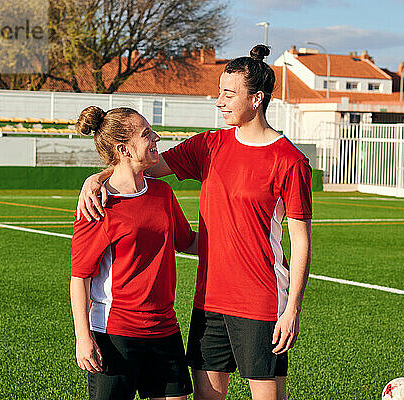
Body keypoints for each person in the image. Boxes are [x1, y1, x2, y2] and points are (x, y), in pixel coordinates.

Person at [76, 45, 312, 400]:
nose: (219, 101)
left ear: (257, 98)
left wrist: (292, 308)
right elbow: (143, 165)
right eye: (220, 92)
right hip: (209, 301)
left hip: (262, 300)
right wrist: (97, 177)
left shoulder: (290, 161)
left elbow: (301, 241)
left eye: (228, 94)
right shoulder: (209, 145)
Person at [70, 105, 198, 400]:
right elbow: (80, 277)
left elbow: (188, 241)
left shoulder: (163, 194)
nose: (156, 138)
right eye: (146, 134)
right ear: (123, 149)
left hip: (165, 328)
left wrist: (238, 236)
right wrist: (83, 338)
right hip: (116, 335)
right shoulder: (98, 205)